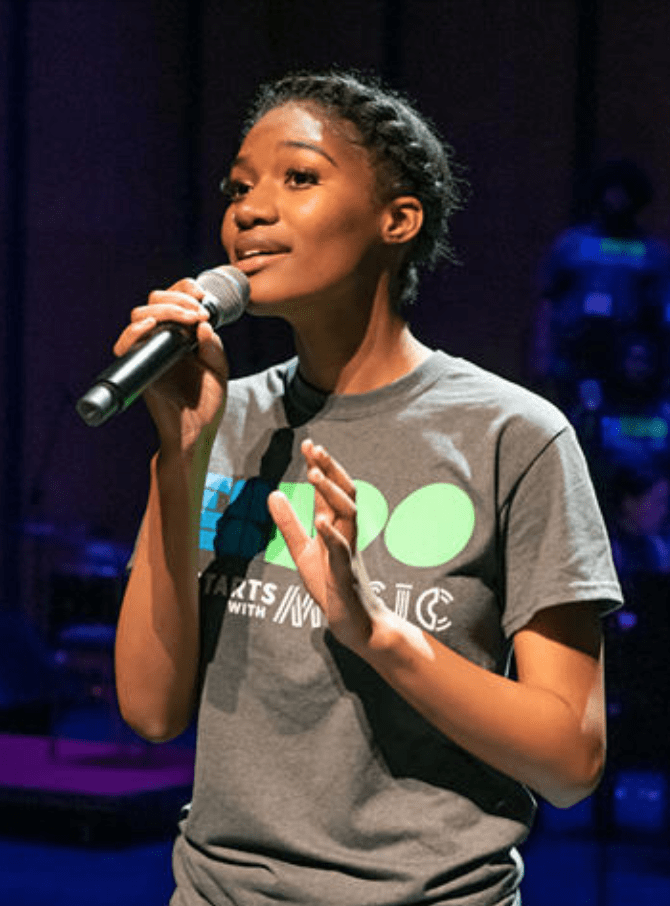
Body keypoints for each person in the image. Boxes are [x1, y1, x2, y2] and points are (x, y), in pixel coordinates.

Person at [113, 70, 622, 906]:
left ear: (398, 220)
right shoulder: (219, 418)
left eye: (299, 177)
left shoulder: (514, 437)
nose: (250, 209)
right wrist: (182, 455)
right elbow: (150, 710)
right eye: (238, 187)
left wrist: (379, 634)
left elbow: (570, 759)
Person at [529, 159, 670, 410]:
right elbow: (548, 300)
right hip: (575, 348)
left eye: (624, 193)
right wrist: (542, 350)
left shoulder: (652, 252)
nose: (616, 200)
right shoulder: (572, 243)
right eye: (611, 191)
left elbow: (662, 312)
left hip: (627, 355)